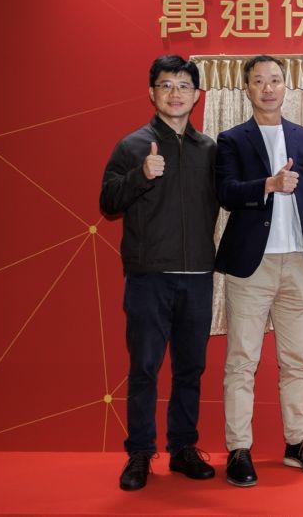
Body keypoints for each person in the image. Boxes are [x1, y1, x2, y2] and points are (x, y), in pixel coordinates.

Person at [214, 55, 303, 487]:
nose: (268, 88)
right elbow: (226, 193)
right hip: (252, 266)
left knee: (296, 360)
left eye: (275, 80)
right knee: (241, 361)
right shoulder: (232, 139)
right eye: (259, 81)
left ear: (286, 86)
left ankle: (297, 443)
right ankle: (238, 449)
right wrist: (268, 184)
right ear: (246, 88)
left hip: (299, 262)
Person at [100, 54, 218, 491]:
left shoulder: (209, 149)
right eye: (166, 85)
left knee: (190, 368)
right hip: (148, 276)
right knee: (145, 368)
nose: (175, 94)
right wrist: (140, 175)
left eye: (184, 86)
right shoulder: (132, 145)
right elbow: (108, 202)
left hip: (198, 276)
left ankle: (183, 448)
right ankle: (139, 453)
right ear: (152, 93)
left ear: (197, 95)